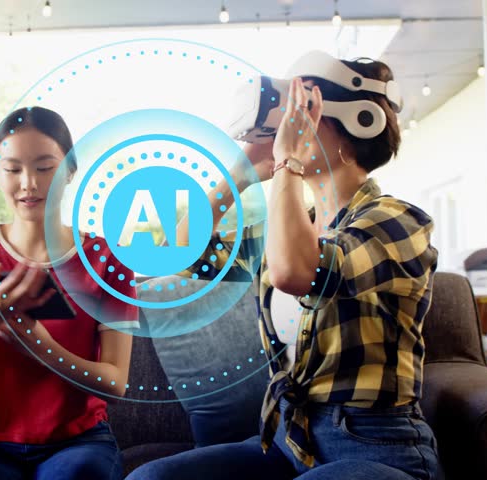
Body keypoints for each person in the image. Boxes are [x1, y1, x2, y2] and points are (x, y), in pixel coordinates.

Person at [128, 57, 442, 479]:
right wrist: (239, 175)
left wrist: (287, 164)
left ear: (356, 123)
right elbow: (175, 254)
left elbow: (297, 272)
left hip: (375, 446)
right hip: (290, 441)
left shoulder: (396, 221)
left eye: (304, 111)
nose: (290, 126)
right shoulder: (285, 231)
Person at [0, 106, 138, 480]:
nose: (29, 183)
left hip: (79, 442)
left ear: (70, 170)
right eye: (12, 169)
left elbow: (116, 383)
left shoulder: (107, 259)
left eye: (45, 168)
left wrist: (42, 347)